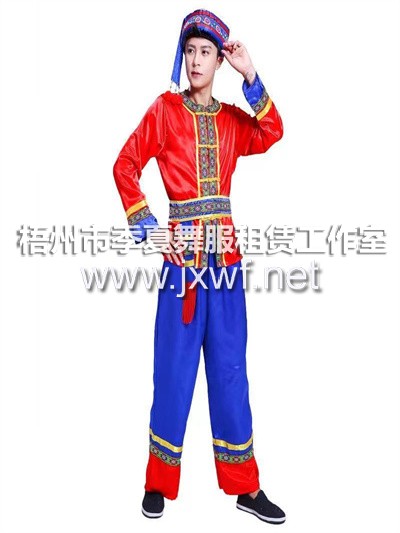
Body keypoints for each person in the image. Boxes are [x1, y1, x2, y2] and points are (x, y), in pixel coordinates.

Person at [113, 8, 285, 524]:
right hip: (182, 268)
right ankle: (157, 483)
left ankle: (245, 487)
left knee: (231, 374)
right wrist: (149, 228)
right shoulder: (165, 112)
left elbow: (272, 130)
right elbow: (124, 164)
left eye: (206, 52)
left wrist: (252, 75)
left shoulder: (232, 120)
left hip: (226, 264)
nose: (195, 60)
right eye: (189, 51)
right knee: (173, 373)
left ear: (219, 60)